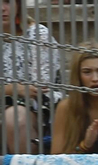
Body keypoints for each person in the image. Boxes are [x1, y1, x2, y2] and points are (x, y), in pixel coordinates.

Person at [1, 0, 59, 153]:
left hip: (35, 109)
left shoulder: (38, 34)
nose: (2, 8)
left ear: (19, 4)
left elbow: (40, 88)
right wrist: (10, 89)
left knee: (15, 117)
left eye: (7, 2)